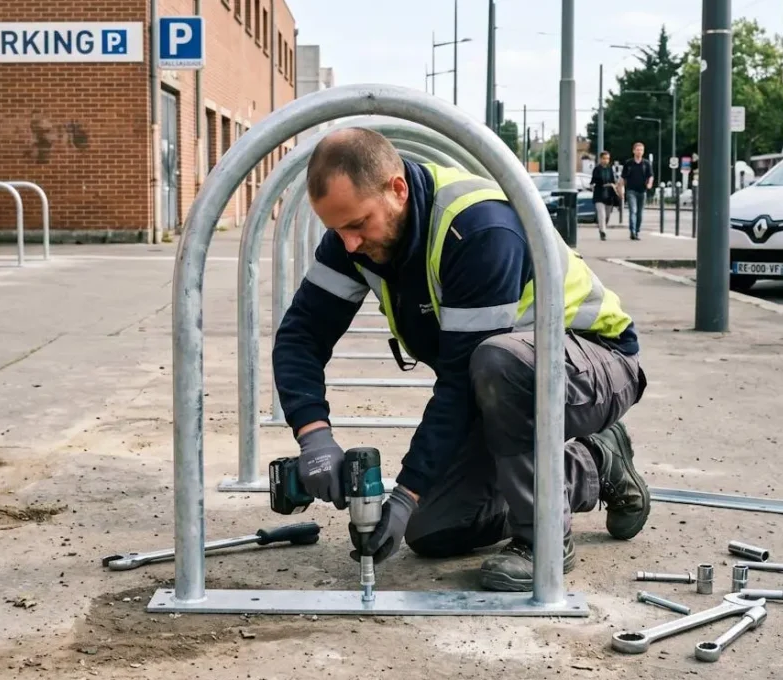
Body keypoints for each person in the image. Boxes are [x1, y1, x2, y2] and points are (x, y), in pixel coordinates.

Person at [271, 127, 650, 593]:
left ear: (397, 189)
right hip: (501, 383)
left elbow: (458, 382)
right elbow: (300, 336)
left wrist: (406, 491)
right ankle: (595, 461)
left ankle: (544, 539)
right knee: (435, 528)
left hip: (595, 363)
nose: (348, 243)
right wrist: (315, 438)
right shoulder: (356, 242)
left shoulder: (477, 228)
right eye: (337, 229)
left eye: (357, 225)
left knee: (495, 362)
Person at [619, 142, 654, 240]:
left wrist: (650, 183)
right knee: (633, 211)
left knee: (640, 213)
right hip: (631, 190)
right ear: (633, 151)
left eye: (641, 150)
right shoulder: (628, 163)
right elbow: (623, 178)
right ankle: (632, 231)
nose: (639, 152)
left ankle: (637, 230)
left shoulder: (646, 163)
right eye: (638, 150)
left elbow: (650, 176)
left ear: (643, 152)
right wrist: (620, 190)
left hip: (642, 191)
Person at [590, 151, 621, 241]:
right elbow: (594, 181)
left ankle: (602, 227)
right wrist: (593, 185)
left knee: (607, 215)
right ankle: (603, 231)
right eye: (604, 158)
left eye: (607, 158)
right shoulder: (597, 169)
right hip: (599, 195)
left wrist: (614, 187)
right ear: (600, 159)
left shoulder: (610, 169)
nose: (606, 160)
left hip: (609, 195)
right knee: (601, 214)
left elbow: (613, 181)